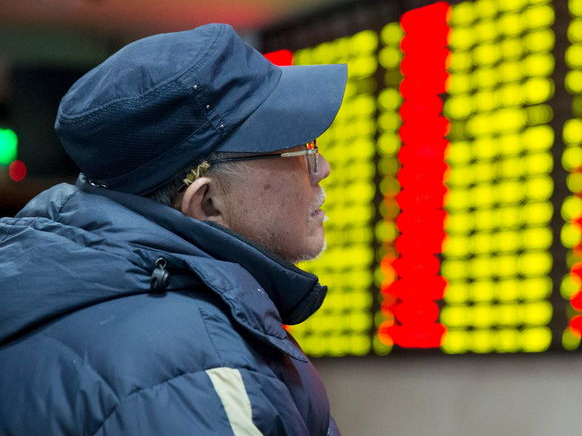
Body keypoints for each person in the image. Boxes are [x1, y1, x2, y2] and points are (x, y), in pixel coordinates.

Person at [0, 23, 347, 435]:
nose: (322, 169)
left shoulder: (55, 298)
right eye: (302, 150)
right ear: (206, 202)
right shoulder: (201, 372)